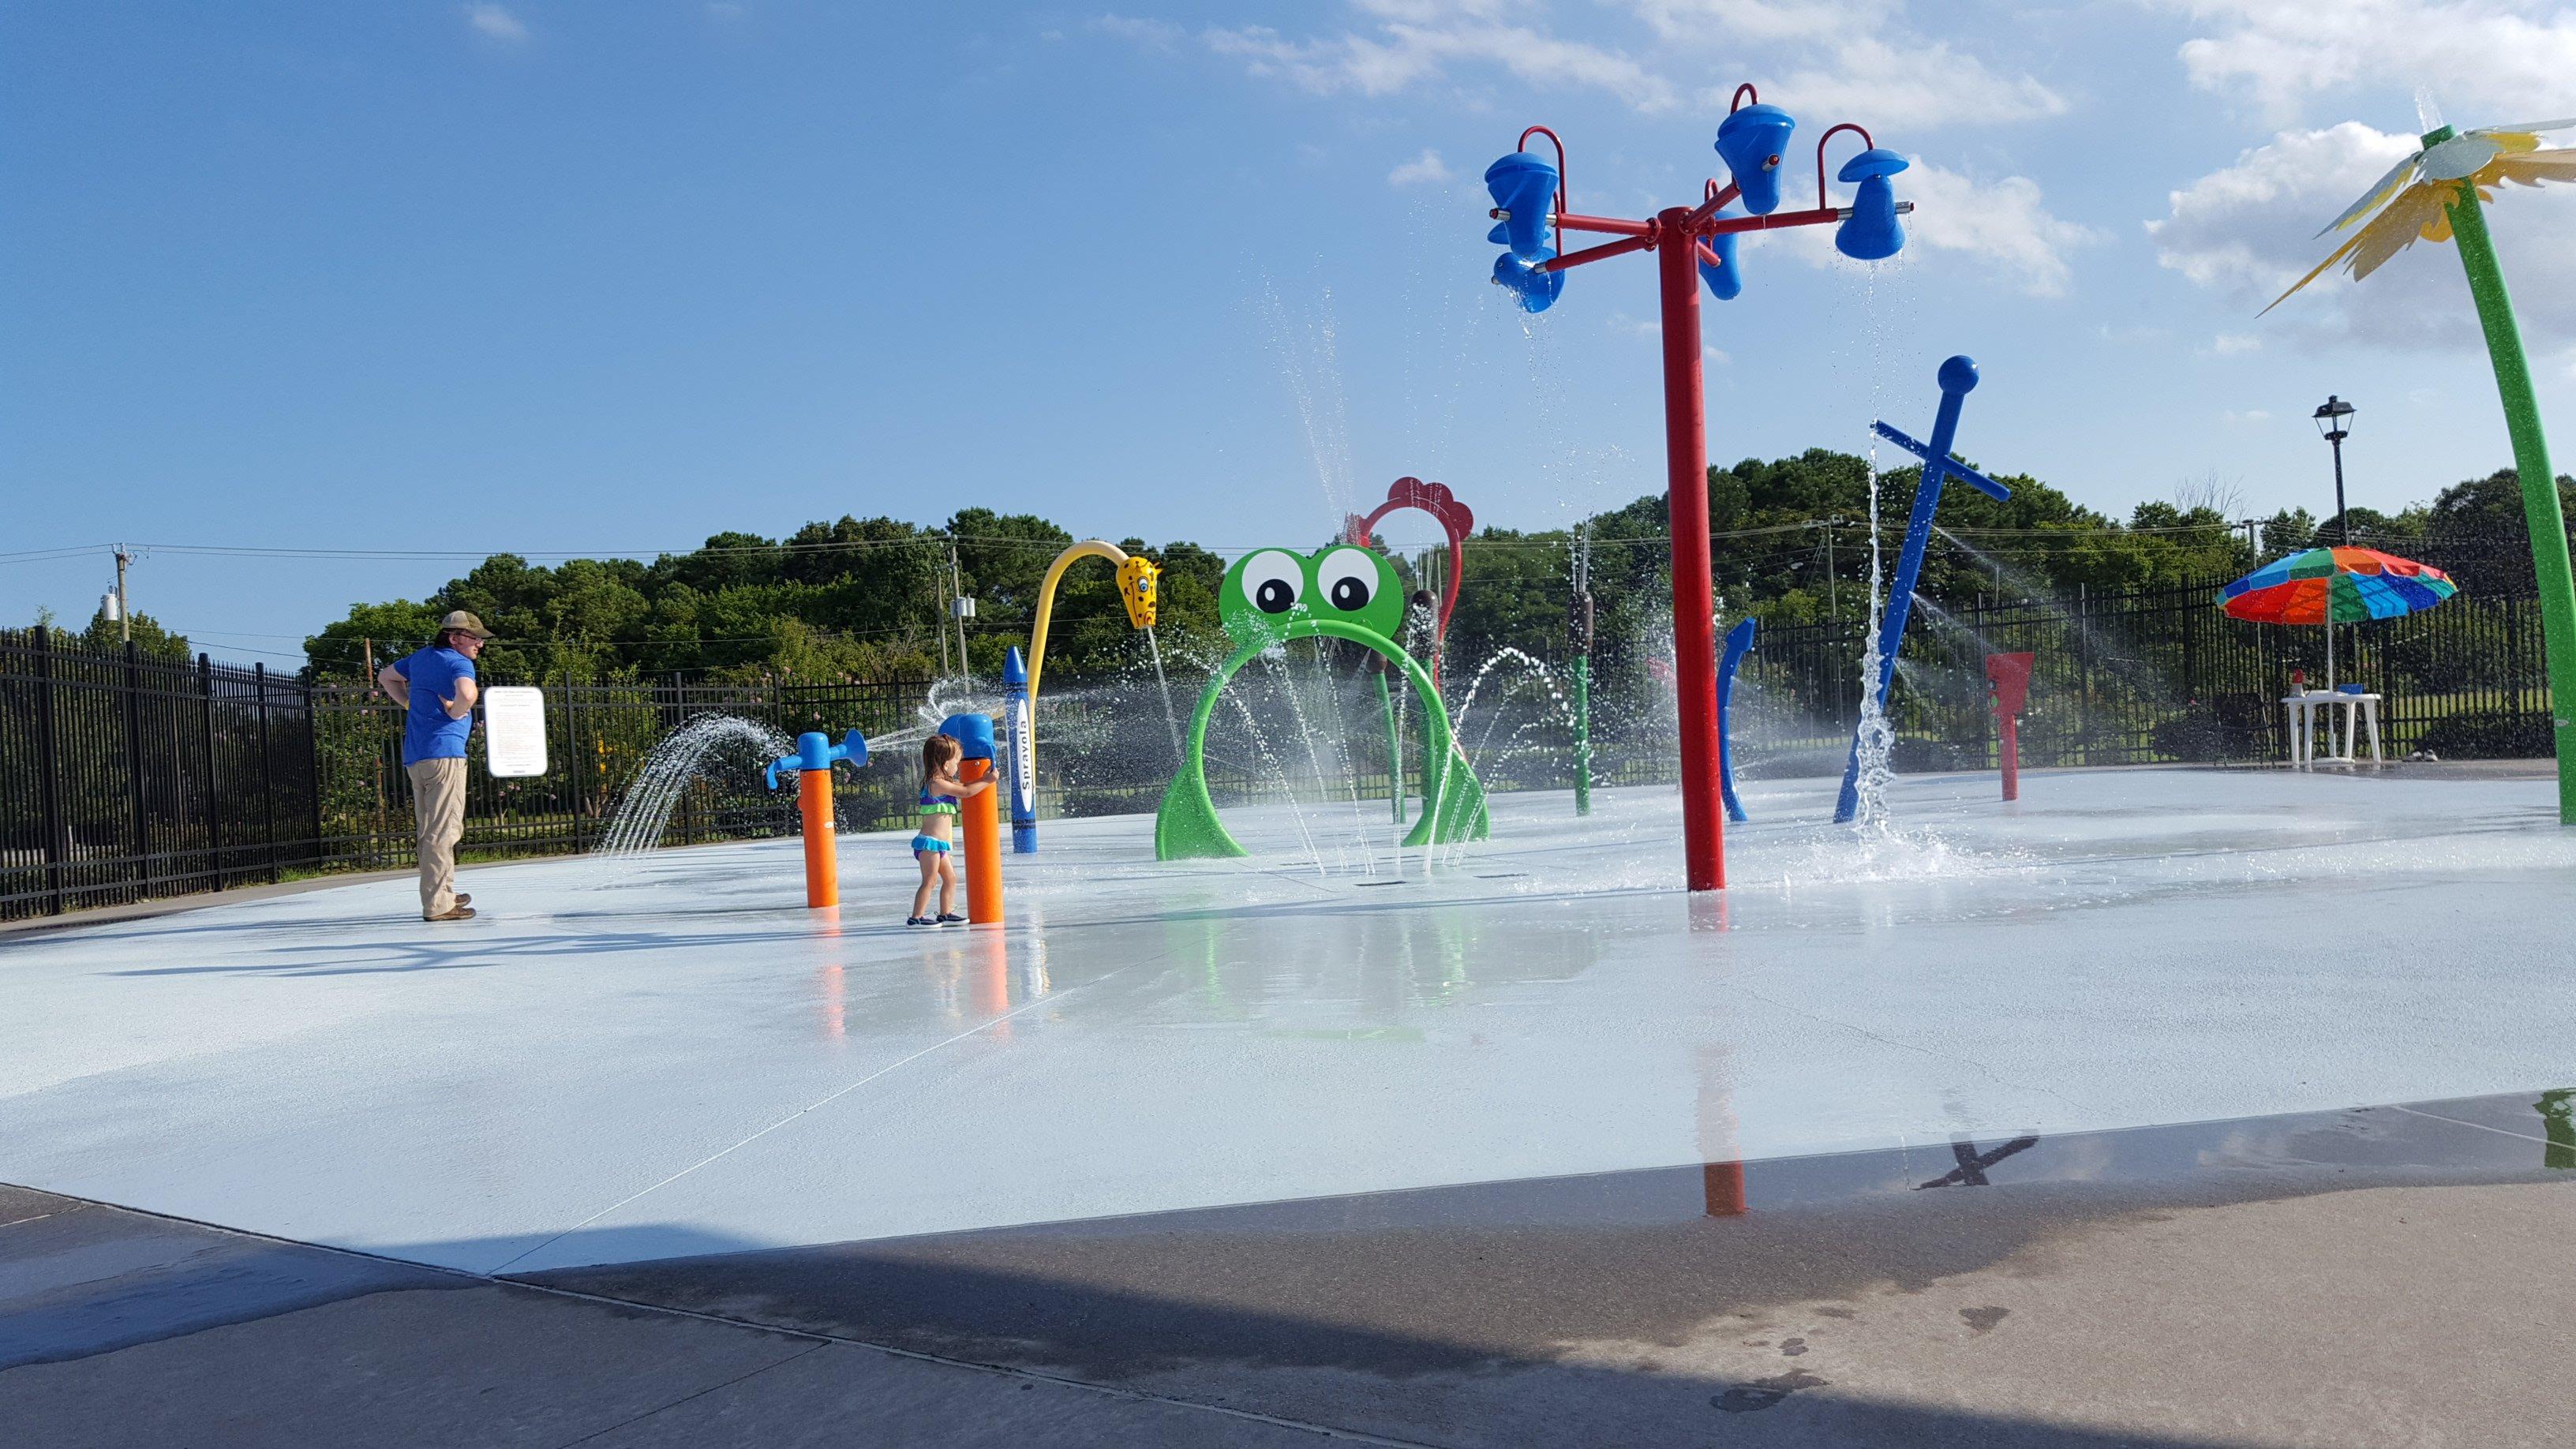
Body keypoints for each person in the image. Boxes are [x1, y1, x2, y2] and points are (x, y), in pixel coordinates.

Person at [378, 610, 493, 922]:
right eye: (474, 638)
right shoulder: (458, 662)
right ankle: (439, 905)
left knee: (429, 829)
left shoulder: (420, 659)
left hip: (417, 756)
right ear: (454, 638)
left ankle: (440, 893)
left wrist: (407, 703)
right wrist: (456, 711)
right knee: (444, 830)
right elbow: (468, 693)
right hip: (445, 756)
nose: (480, 644)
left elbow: (385, 676)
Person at [908, 733, 991, 927]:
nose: (958, 766)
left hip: (938, 845)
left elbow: (966, 785)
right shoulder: (937, 784)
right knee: (930, 881)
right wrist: (988, 781)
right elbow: (966, 792)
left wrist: (983, 778)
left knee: (951, 878)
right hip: (929, 844)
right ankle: (916, 918)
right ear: (946, 764)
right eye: (957, 762)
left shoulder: (943, 782)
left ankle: (945, 913)